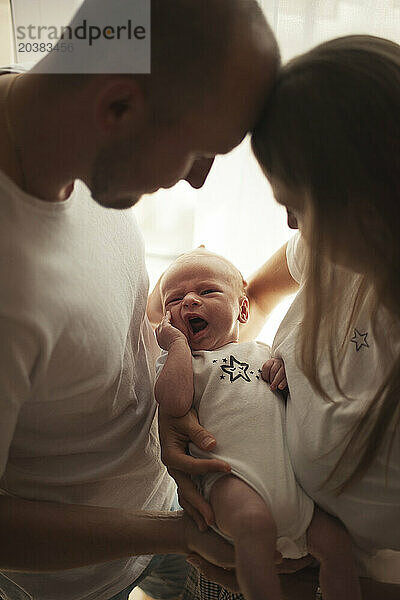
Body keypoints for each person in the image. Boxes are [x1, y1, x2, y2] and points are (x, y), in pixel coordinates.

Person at [0, 1, 279, 599]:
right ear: (118, 106)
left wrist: (172, 419)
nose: (199, 179)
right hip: (77, 581)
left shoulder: (84, 157)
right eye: (200, 148)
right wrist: (175, 535)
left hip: (164, 499)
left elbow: (104, 334)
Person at [163, 35, 399, 600]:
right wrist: (205, 387)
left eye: (295, 206)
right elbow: (251, 300)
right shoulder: (331, 250)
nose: (290, 226)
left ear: (361, 204)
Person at [154, 247, 362, 600]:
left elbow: (294, 389)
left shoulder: (263, 350)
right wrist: (175, 346)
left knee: (337, 544)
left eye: (207, 292)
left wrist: (286, 369)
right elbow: (173, 403)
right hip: (231, 479)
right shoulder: (186, 362)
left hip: (292, 485)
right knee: (253, 526)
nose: (189, 301)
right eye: (174, 299)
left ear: (243, 308)